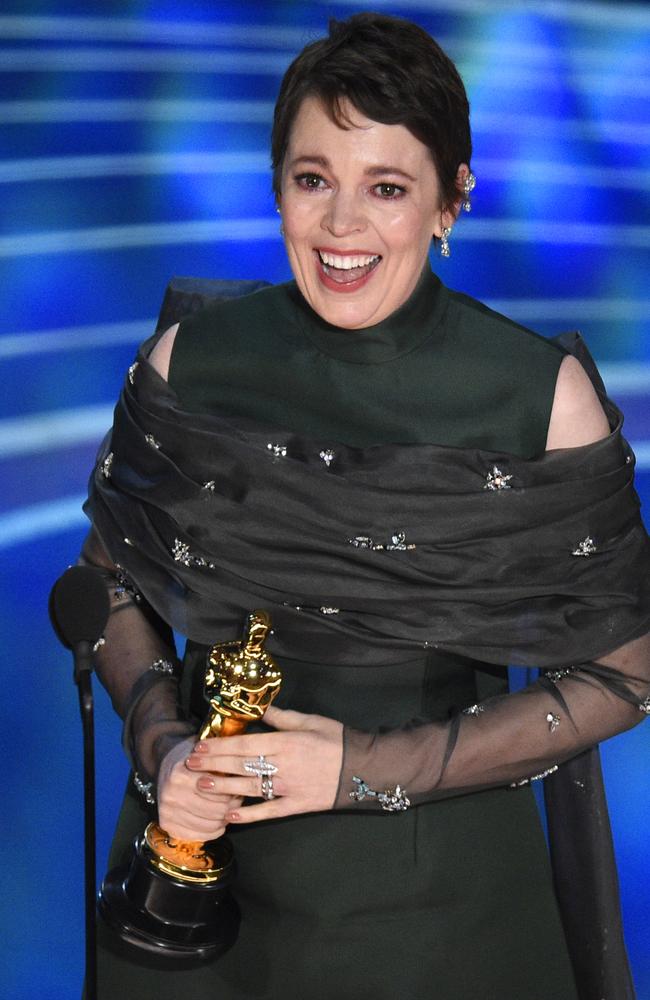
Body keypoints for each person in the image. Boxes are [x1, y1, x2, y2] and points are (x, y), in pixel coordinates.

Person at [80, 12, 649, 1000]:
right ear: (278, 188)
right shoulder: (190, 355)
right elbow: (105, 583)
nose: (341, 226)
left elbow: (623, 674)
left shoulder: (537, 394)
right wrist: (159, 739)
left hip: (435, 902)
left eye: (385, 188)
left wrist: (362, 766)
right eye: (313, 180)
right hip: (193, 882)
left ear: (450, 200)